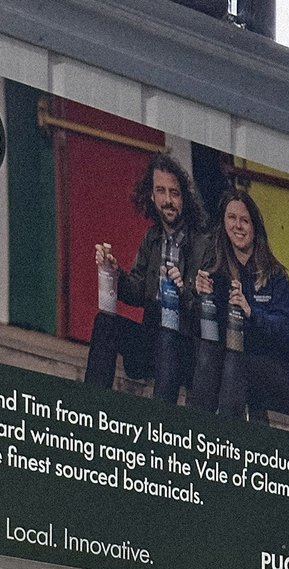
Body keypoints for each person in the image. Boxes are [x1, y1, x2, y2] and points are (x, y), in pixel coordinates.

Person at [84, 153, 207, 405]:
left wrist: (182, 292)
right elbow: (138, 292)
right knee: (105, 322)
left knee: (168, 337)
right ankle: (90, 408)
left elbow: (207, 311)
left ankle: (159, 421)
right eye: (161, 191)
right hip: (153, 340)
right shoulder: (152, 238)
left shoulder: (203, 244)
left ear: (184, 198)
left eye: (174, 193)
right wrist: (115, 272)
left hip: (185, 348)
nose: (168, 200)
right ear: (151, 196)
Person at [187, 187, 289, 422]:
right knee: (208, 356)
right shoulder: (215, 271)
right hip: (228, 362)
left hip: (276, 372)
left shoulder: (275, 276)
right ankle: (197, 431)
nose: (238, 225)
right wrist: (200, 298)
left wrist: (250, 312)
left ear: (255, 228)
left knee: (233, 364)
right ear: (224, 224)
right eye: (232, 218)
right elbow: (201, 331)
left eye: (245, 220)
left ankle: (227, 436)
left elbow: (284, 330)